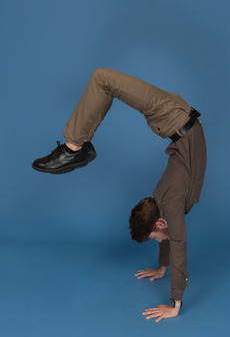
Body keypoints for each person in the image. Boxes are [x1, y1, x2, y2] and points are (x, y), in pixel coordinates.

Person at [32, 67, 207, 322]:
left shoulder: (167, 204)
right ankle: (74, 148)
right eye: (155, 237)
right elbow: (176, 244)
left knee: (103, 79)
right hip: (174, 116)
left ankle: (76, 148)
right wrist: (174, 298)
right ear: (160, 221)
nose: (160, 240)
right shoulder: (167, 205)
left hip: (176, 117)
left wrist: (169, 289)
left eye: (155, 238)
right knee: (103, 79)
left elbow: (171, 237)